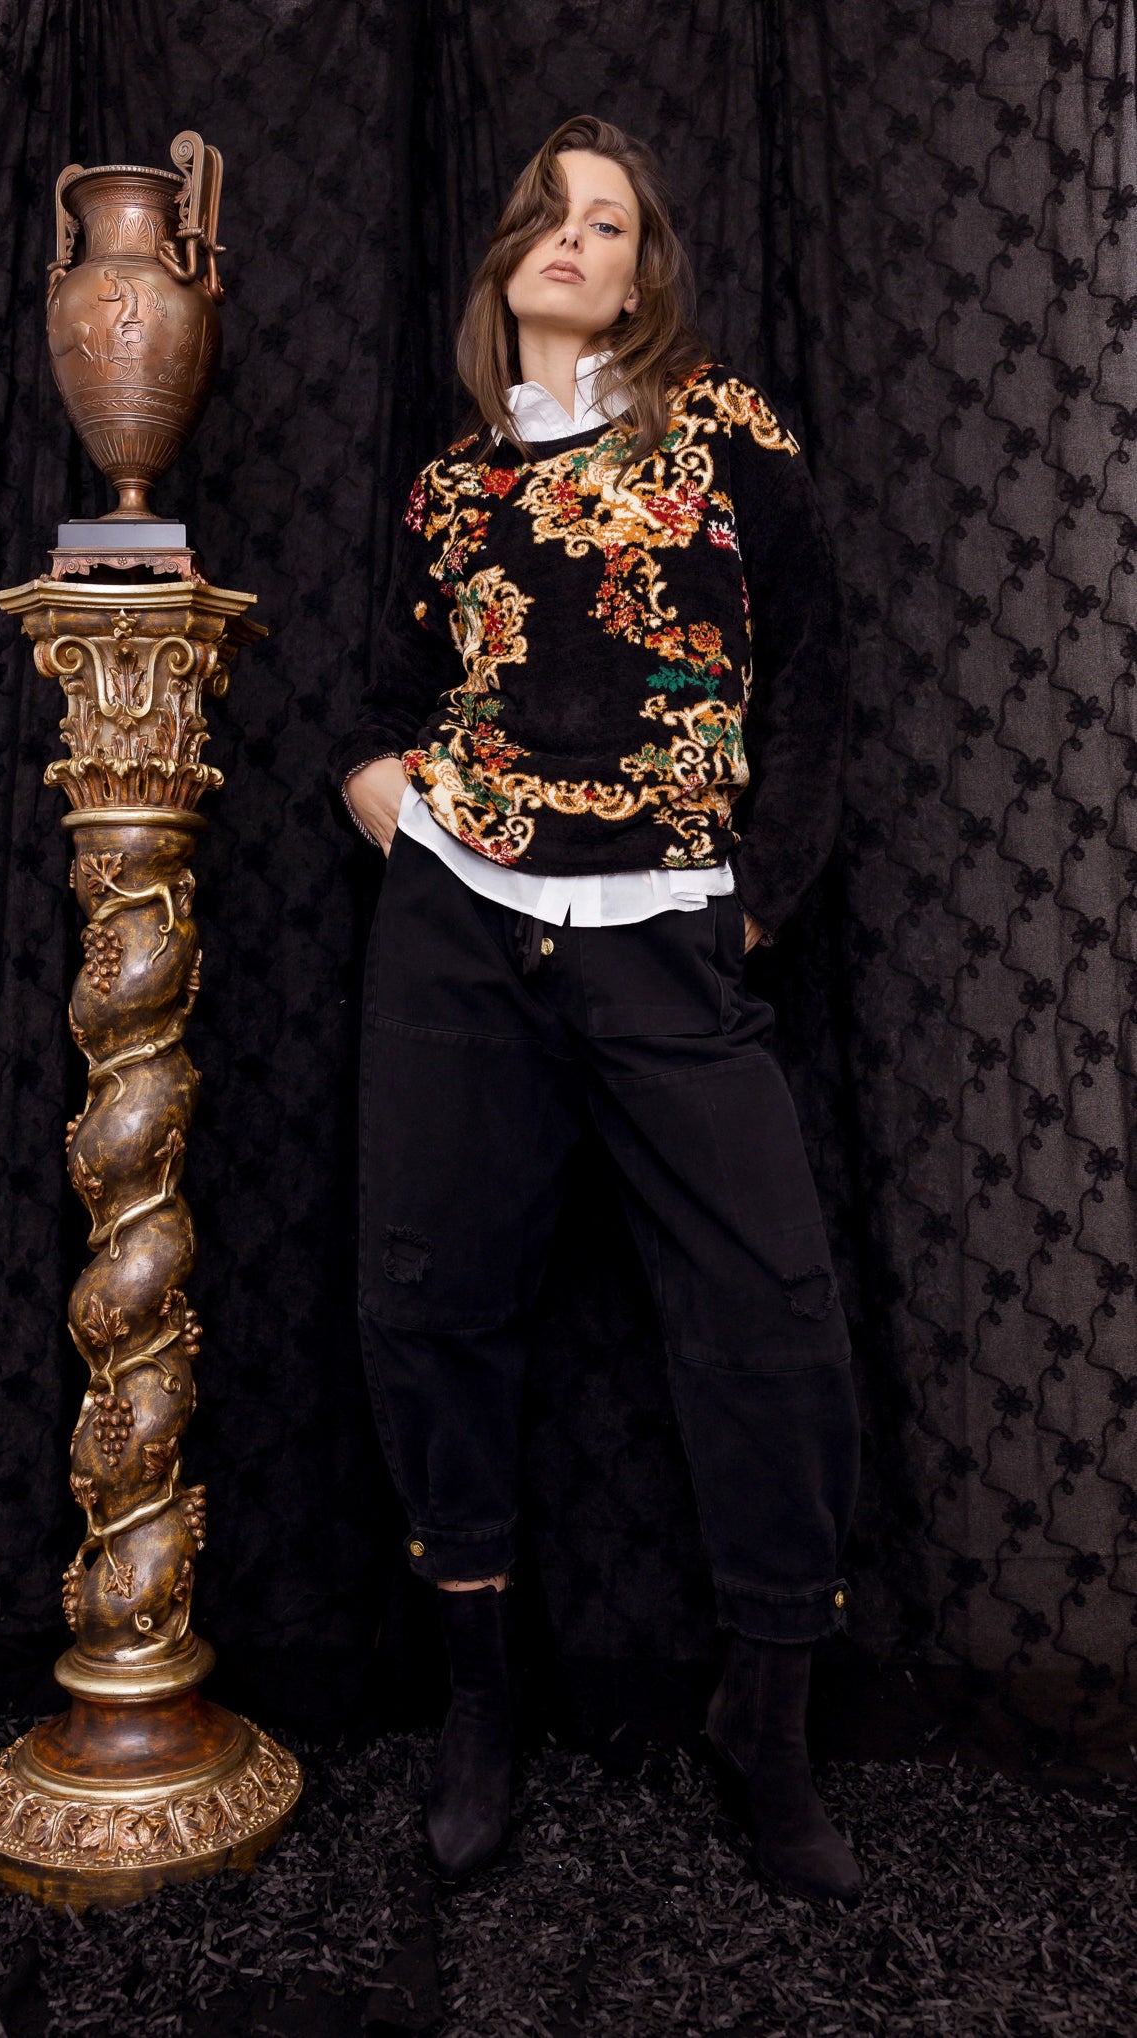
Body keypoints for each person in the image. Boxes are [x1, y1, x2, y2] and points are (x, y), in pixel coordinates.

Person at [328, 114, 863, 1906]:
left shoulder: (727, 438)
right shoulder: (448, 486)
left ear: (642, 277)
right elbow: (385, 696)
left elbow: (811, 680)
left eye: (608, 223)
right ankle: (478, 1711)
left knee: (771, 1314)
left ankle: (765, 1724)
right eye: (545, 217)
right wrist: (391, 808)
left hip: (667, 930)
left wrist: (753, 900)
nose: (572, 240)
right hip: (461, 932)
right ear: (507, 262)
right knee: (430, 1304)